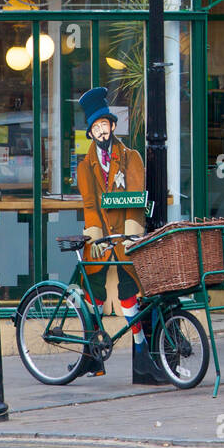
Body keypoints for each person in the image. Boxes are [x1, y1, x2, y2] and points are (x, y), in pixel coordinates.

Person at [75, 87, 164, 380]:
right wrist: (94, 235)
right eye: (95, 128)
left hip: (124, 239)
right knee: (94, 293)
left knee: (129, 293)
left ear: (113, 126)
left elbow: (136, 199)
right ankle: (92, 357)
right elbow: (89, 204)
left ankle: (141, 352)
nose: (101, 132)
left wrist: (131, 235)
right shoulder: (85, 166)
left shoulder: (131, 157)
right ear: (90, 133)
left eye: (105, 125)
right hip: (99, 240)